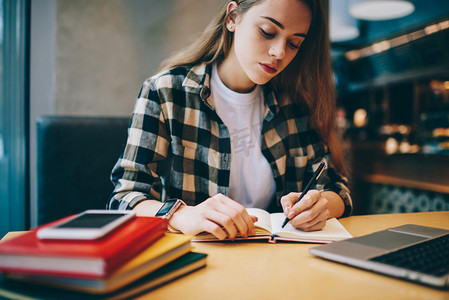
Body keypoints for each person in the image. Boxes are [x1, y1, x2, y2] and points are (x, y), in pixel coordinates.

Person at [108, 0, 352, 240]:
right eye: (267, 32)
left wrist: (323, 206)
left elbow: (338, 189)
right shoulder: (166, 93)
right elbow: (125, 197)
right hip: (198, 261)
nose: (279, 53)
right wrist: (182, 215)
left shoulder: (296, 104)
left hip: (280, 260)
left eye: (294, 43)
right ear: (232, 18)